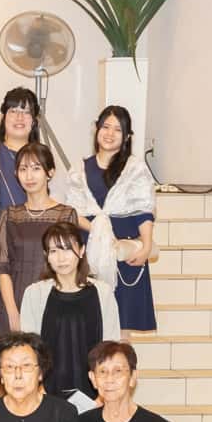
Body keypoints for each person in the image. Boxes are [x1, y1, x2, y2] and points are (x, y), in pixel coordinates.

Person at [64, 106, 159, 331]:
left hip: (124, 254)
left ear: (126, 137)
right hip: (89, 250)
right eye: (105, 127)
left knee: (122, 328)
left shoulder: (135, 169)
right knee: (90, 324)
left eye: (117, 129)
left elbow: (144, 210)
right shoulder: (80, 169)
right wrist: (99, 232)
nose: (110, 133)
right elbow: (72, 211)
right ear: (96, 129)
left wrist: (146, 246)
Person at [0, 88, 69, 267]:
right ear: (3, 117)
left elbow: (59, 199)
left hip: (40, 251)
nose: (19, 118)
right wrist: (2, 241)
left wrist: (38, 240)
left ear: (34, 121)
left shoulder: (48, 156)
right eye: (13, 111)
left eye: (26, 112)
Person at [20, 222, 122, 405]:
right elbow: (29, 350)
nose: (61, 258)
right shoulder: (34, 294)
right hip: (46, 396)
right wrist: (38, 389)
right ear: (46, 256)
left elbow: (111, 347)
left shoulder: (103, 292)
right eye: (53, 251)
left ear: (81, 251)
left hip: (95, 397)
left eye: (67, 249)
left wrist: (102, 395)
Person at [0, 143, 79, 334]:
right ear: (16, 174)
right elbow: (2, 268)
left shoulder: (66, 214)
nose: (29, 176)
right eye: (23, 169)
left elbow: (70, 268)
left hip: (54, 302)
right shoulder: (9, 215)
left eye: (36, 168)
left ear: (50, 172)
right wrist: (12, 312)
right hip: (15, 301)